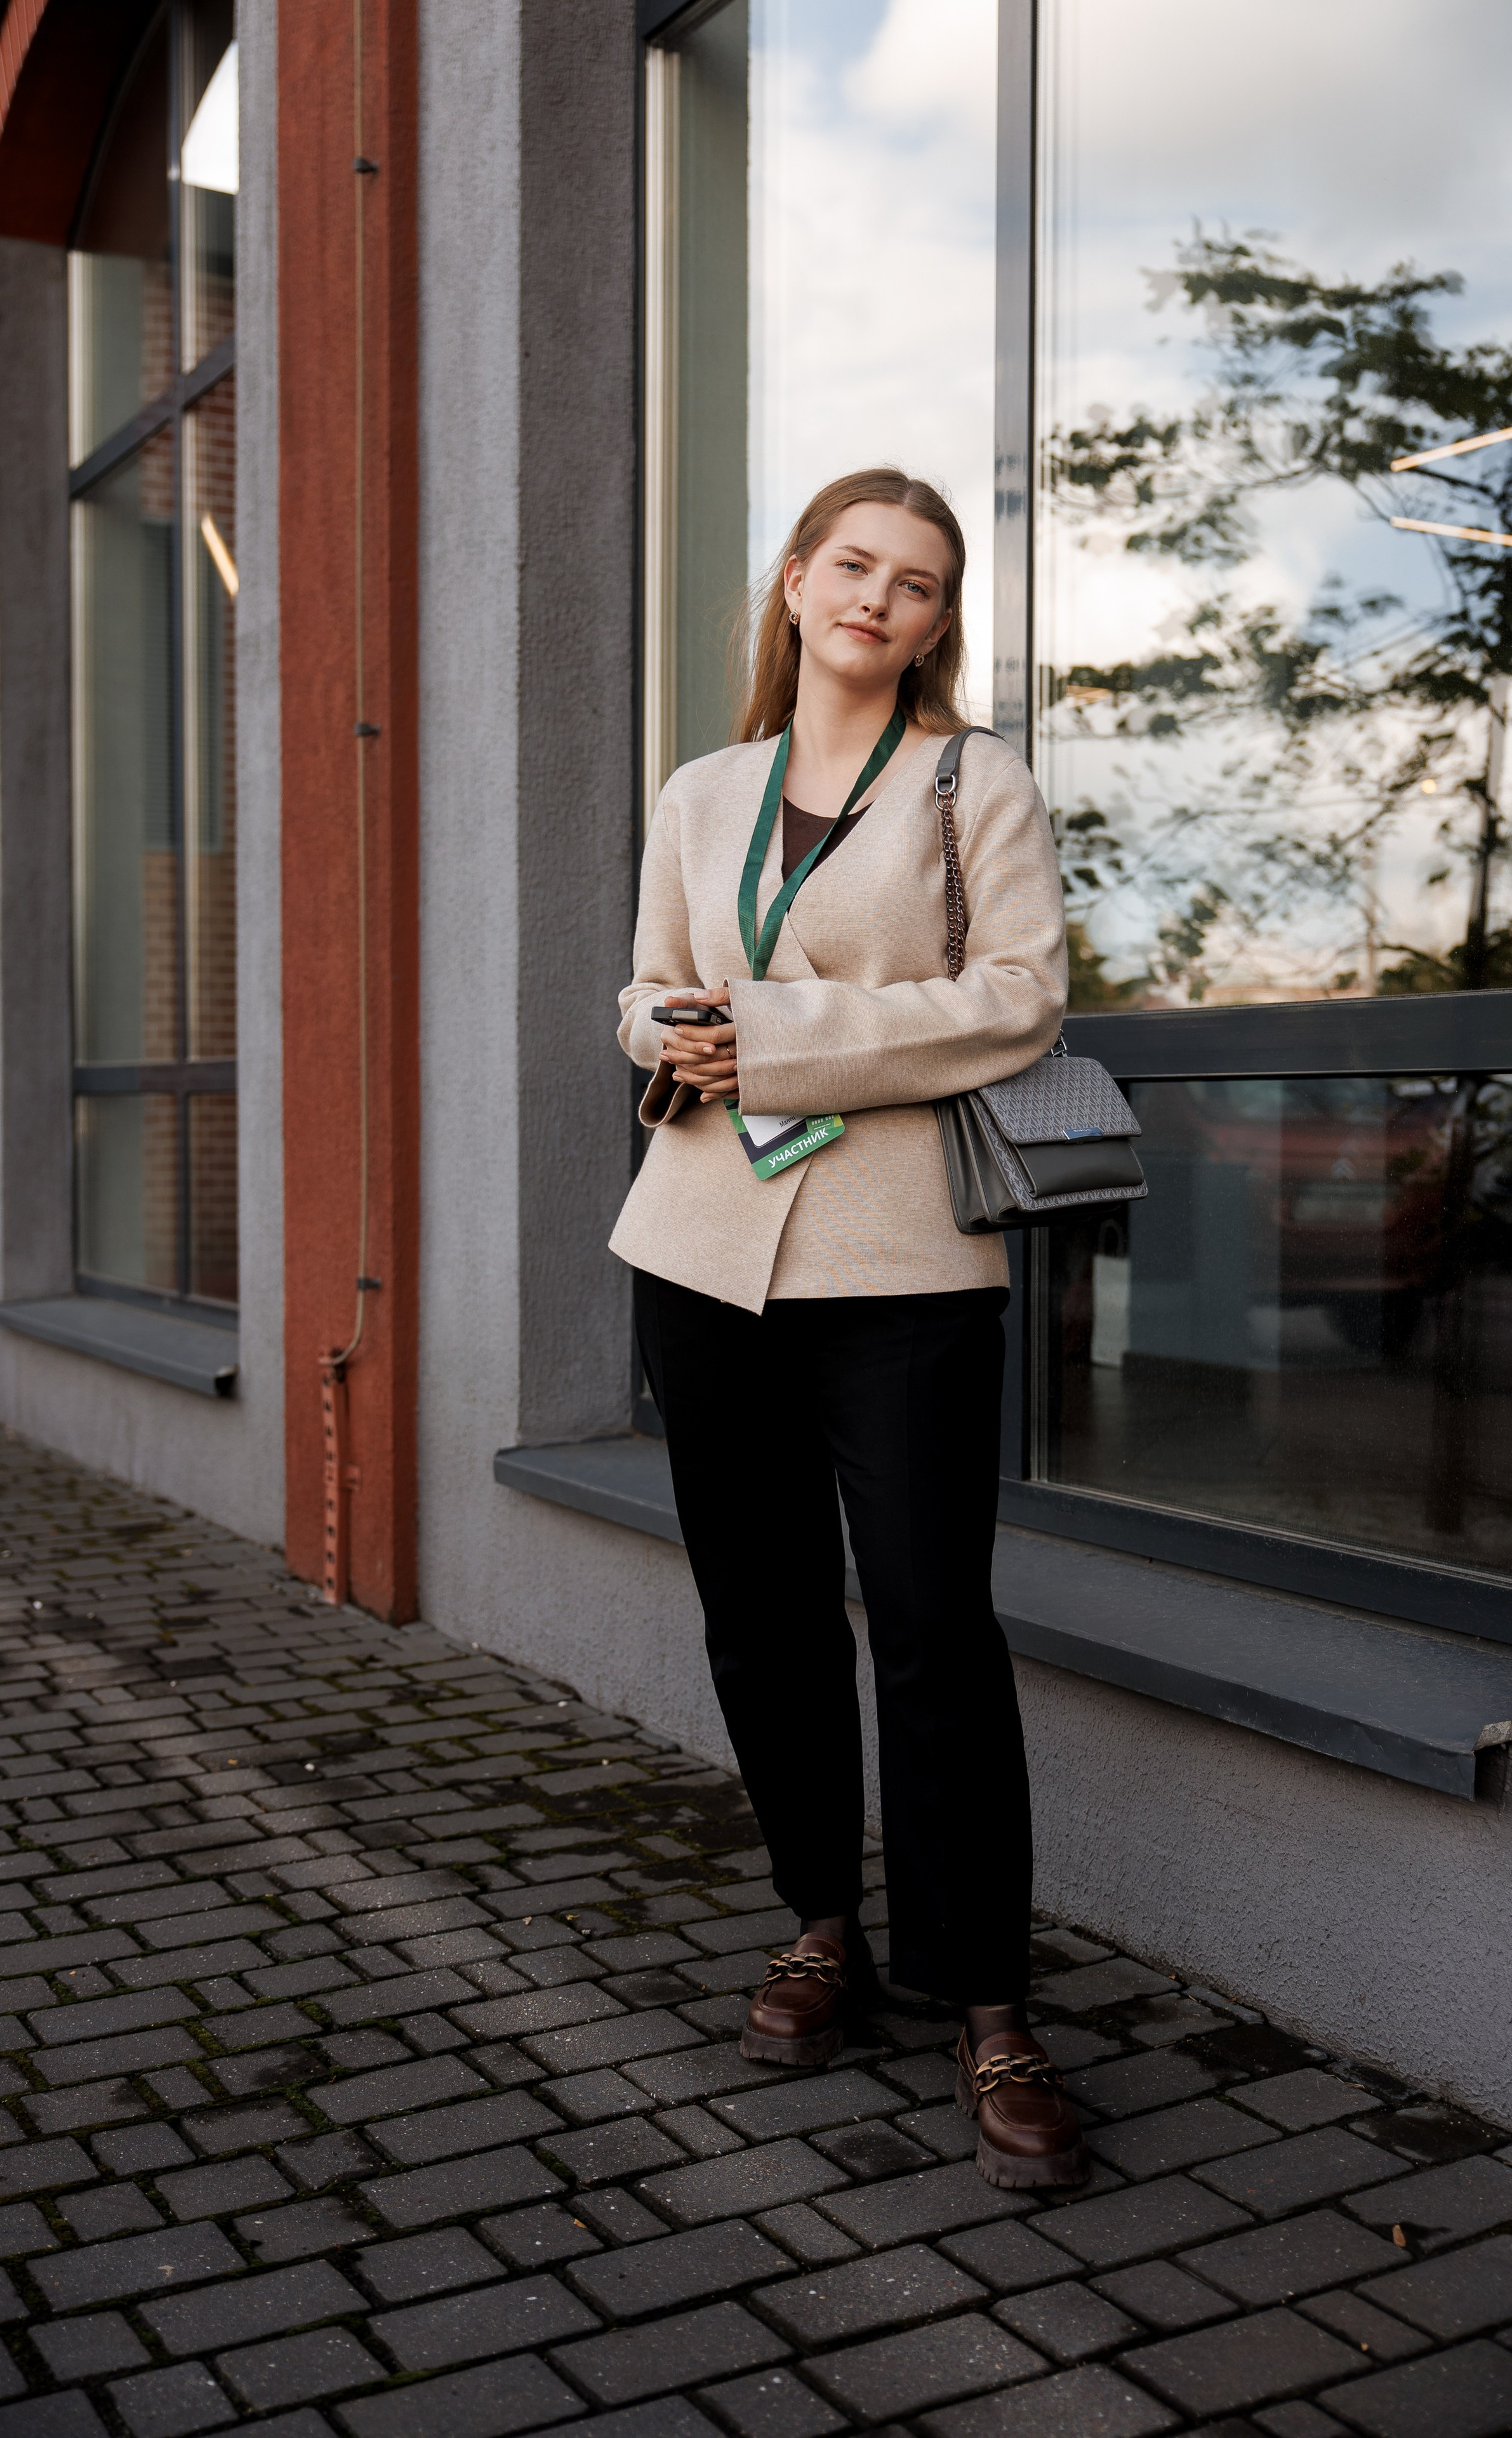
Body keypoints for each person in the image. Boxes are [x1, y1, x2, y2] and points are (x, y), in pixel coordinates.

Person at [610, 469, 1084, 2188]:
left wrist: (783, 1040)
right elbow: (649, 974)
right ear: (800, 581)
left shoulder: (976, 779)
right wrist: (673, 1026)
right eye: (856, 564)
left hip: (902, 1269)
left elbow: (1024, 998)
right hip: (699, 1249)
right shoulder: (702, 788)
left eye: (919, 583)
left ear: (938, 624)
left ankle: (989, 2003)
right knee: (763, 1616)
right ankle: (825, 1925)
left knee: (935, 1628)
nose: (881, 597)